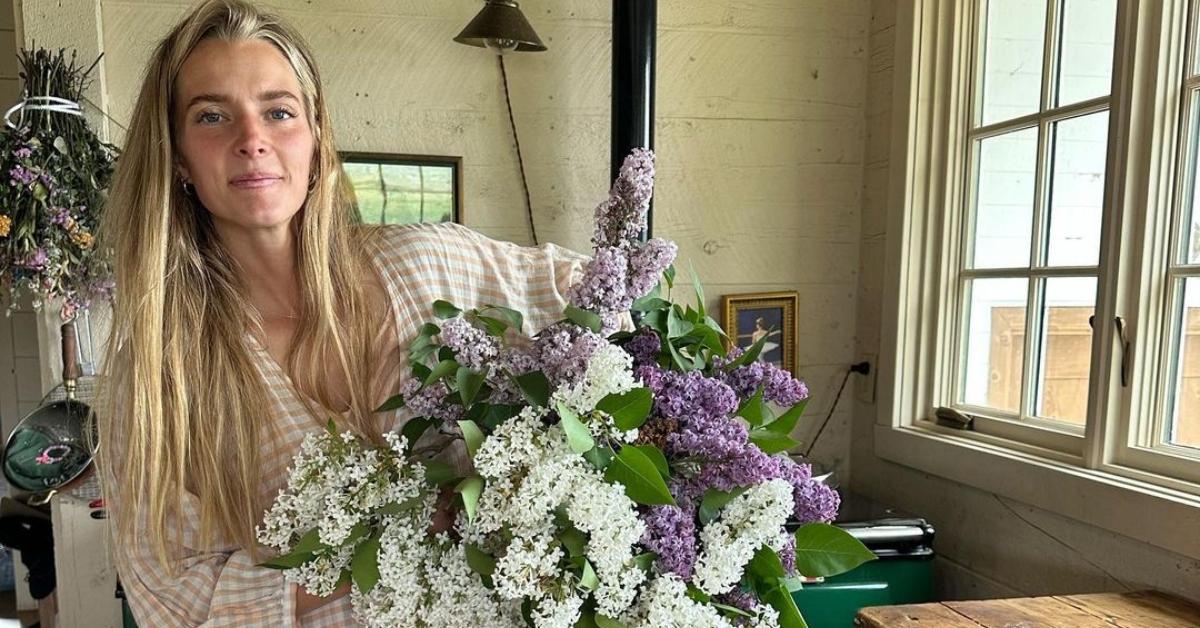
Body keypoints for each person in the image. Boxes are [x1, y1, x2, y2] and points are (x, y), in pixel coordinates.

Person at [96, 1, 588, 625]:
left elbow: (594, 298)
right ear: (179, 159)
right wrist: (394, 542)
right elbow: (175, 598)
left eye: (279, 111)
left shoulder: (424, 264)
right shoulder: (164, 376)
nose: (252, 140)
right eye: (212, 116)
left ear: (317, 134)